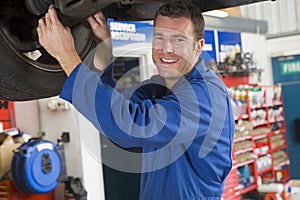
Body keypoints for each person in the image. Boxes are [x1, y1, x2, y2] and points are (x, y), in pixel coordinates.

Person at [37, 2, 234, 199]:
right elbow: (116, 104)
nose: (166, 49)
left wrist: (67, 56)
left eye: (178, 40)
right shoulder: (162, 86)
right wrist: (104, 47)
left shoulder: (206, 95)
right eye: (159, 38)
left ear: (198, 47)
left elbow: (130, 124)